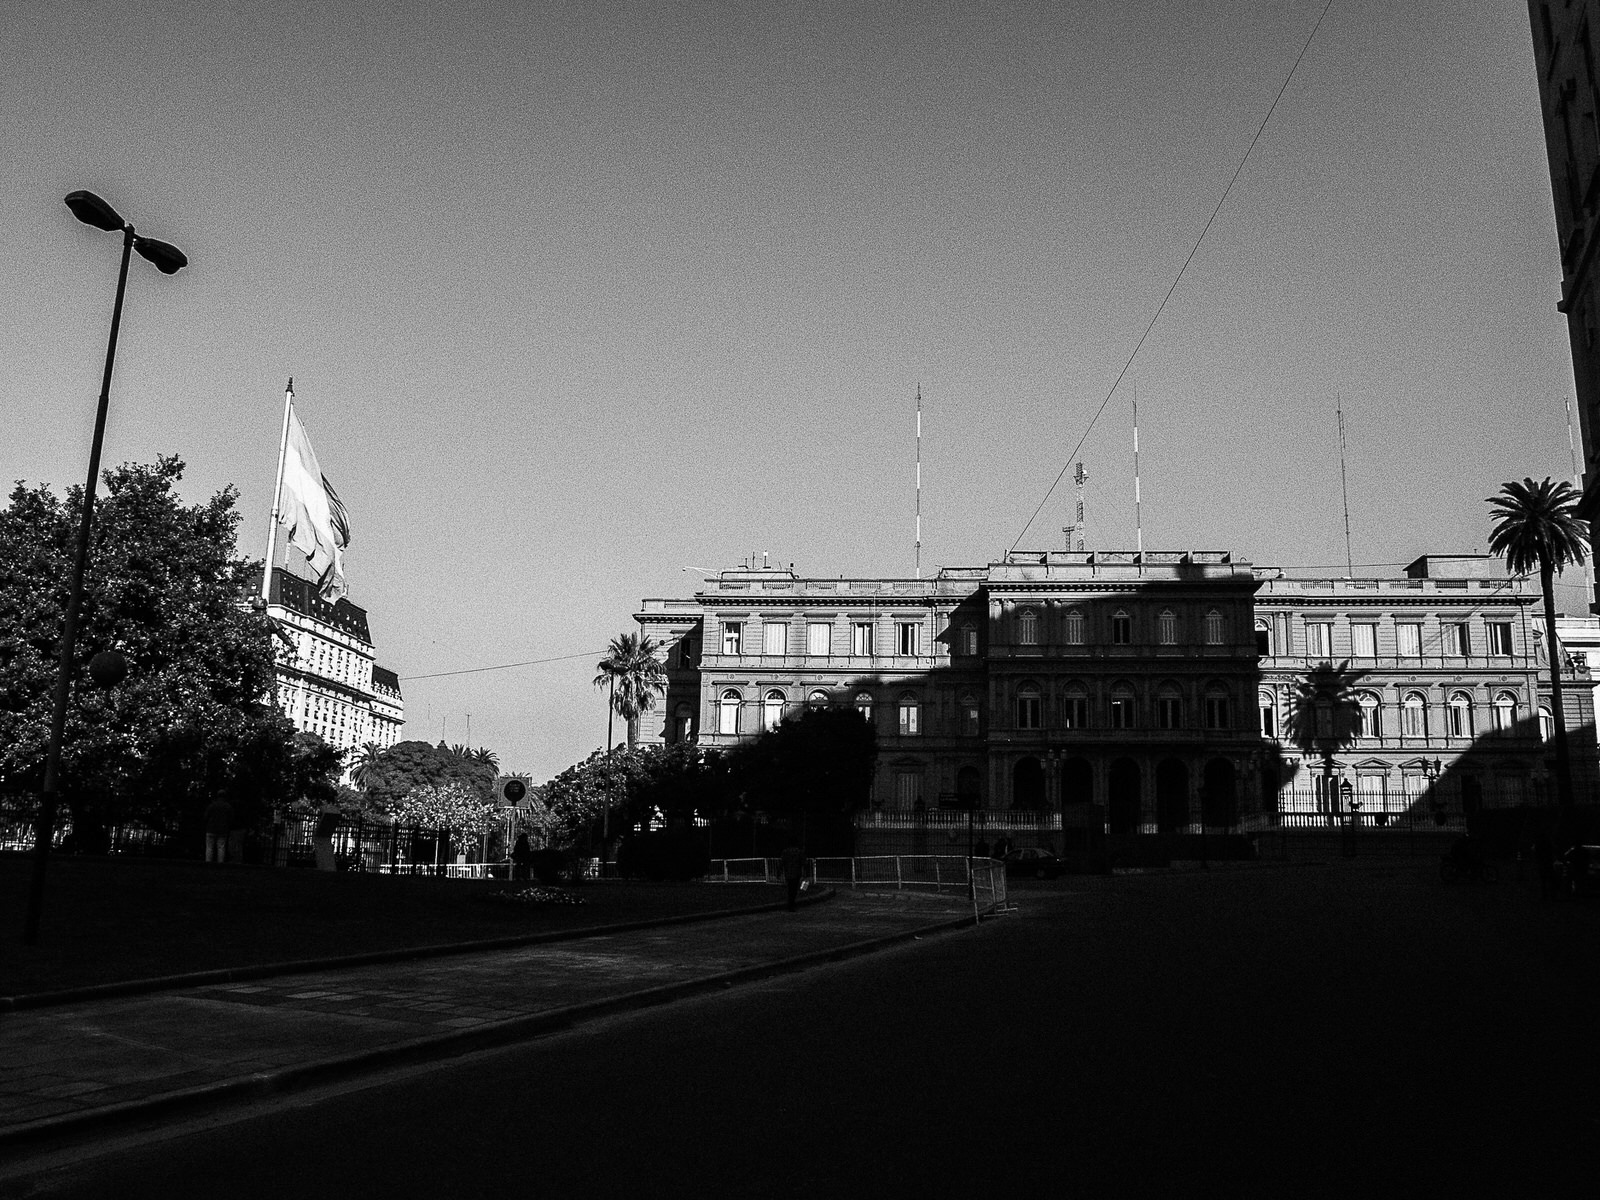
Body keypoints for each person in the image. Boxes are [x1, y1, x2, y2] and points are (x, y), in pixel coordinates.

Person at [203, 797, 233, 864]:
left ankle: (208, 863)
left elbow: (206, 816)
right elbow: (231, 818)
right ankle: (220, 863)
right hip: (223, 829)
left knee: (209, 847)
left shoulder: (212, 805)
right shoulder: (227, 806)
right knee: (221, 847)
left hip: (211, 829)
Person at [779, 841, 806, 911]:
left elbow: (782, 862)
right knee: (794, 890)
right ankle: (791, 904)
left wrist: (780, 872)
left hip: (788, 873)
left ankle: (790, 904)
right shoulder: (799, 852)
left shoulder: (785, 852)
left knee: (790, 889)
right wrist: (803, 873)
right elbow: (802, 863)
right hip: (796, 873)